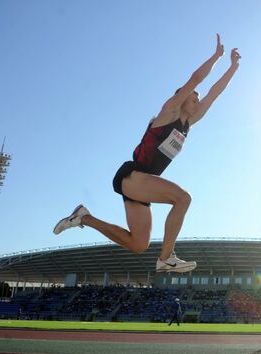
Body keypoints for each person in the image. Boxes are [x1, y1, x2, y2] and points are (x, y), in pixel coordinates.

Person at [53, 34, 240, 273]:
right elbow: (195, 79)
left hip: (143, 186)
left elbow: (215, 93)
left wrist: (233, 68)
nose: (198, 100)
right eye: (194, 97)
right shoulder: (169, 112)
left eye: (198, 99)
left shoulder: (187, 125)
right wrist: (216, 57)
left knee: (139, 244)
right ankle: (166, 258)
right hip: (134, 176)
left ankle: (83, 218)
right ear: (181, 99)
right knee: (183, 199)